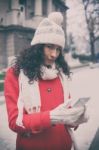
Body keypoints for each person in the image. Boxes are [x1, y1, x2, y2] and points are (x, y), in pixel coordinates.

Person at [4, 12, 88, 150]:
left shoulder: (60, 73)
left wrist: (76, 117)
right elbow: (15, 123)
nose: (54, 54)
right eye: (49, 46)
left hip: (64, 145)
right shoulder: (16, 74)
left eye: (58, 49)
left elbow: (66, 112)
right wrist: (51, 117)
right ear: (38, 46)